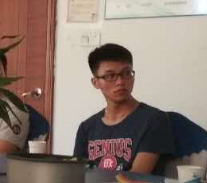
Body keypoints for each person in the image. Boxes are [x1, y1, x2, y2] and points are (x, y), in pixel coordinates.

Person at [74, 43, 175, 174]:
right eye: (110, 76)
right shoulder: (87, 128)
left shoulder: (154, 120)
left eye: (126, 73)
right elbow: (77, 174)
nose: (120, 82)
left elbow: (137, 176)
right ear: (95, 83)